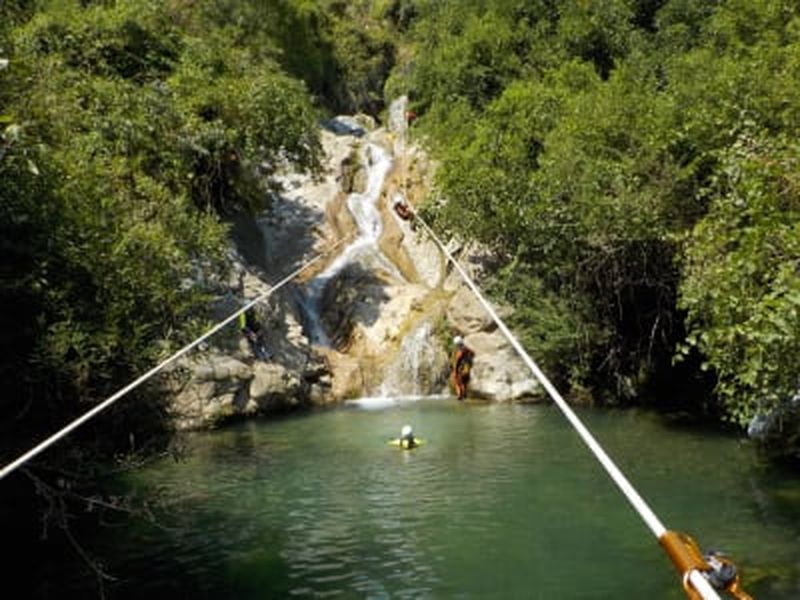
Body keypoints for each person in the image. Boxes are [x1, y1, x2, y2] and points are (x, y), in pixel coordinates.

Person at [451, 335, 474, 401]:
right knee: (464, 383)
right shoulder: (466, 348)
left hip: (461, 369)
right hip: (467, 368)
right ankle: (464, 396)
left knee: (458, 383)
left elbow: (457, 362)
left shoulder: (460, 351)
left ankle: (460, 397)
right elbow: (473, 353)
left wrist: (455, 372)